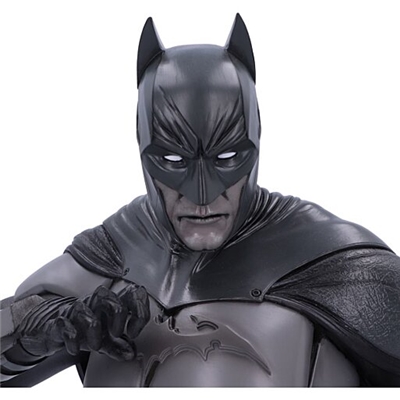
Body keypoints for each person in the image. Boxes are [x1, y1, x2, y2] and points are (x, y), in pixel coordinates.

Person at [1, 14, 399, 387]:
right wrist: (39, 328)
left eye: (228, 157)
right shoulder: (115, 250)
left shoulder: (325, 258)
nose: (202, 195)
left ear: (256, 139)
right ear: (141, 144)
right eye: (173, 161)